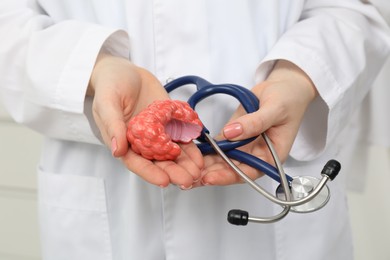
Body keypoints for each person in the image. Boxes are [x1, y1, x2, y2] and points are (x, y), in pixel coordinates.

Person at [0, 1, 389, 259]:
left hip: (277, 208)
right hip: (111, 204)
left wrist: (301, 75)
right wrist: (93, 69)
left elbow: (356, 11)